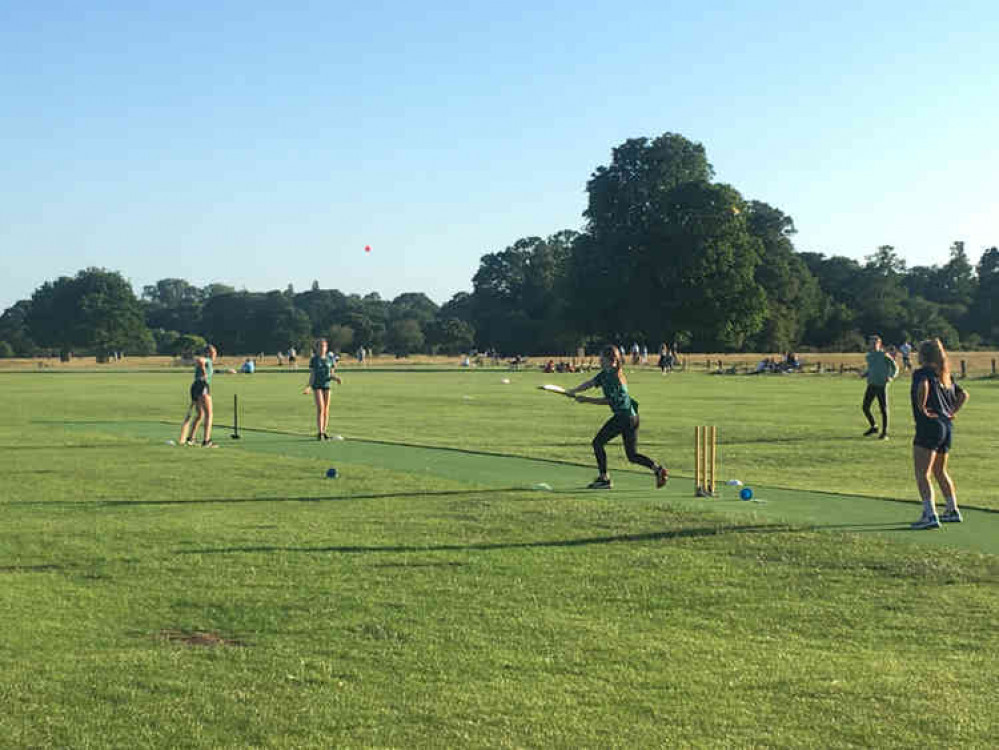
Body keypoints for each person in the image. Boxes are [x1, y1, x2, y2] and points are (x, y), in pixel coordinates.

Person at [566, 345, 669, 489]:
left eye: (602, 357)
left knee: (597, 443)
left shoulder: (615, 377)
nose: (599, 360)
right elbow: (590, 383)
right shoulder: (605, 373)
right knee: (632, 455)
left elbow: (608, 401)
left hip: (624, 418)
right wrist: (573, 390)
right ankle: (658, 469)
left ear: (610, 359)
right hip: (632, 417)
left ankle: (604, 479)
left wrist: (586, 399)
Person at [909, 338, 969, 529]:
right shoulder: (946, 375)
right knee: (939, 471)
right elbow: (963, 394)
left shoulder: (922, 373)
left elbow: (923, 387)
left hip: (929, 425)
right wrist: (952, 412)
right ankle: (952, 509)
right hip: (946, 426)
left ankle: (929, 514)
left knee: (922, 473)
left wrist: (922, 407)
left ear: (923, 356)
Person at [860, 335, 899, 439]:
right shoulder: (869, 356)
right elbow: (872, 368)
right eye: (871, 343)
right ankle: (874, 426)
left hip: (881, 385)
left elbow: (895, 367)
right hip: (871, 384)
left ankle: (884, 433)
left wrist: (891, 377)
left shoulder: (884, 355)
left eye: (875, 343)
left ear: (879, 344)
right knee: (865, 407)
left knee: (883, 409)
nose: (872, 345)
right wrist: (865, 374)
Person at [179, 344, 217, 447]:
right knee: (209, 414)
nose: (215, 355)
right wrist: (204, 371)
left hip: (195, 386)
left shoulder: (210, 363)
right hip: (202, 386)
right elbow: (200, 361)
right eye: (213, 353)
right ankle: (207, 441)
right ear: (208, 353)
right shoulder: (207, 359)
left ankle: (191, 438)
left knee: (200, 415)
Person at [303, 338, 342, 440]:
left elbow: (331, 374)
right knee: (320, 408)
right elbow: (312, 376)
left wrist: (336, 378)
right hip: (317, 386)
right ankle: (320, 432)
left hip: (327, 385)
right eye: (320, 346)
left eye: (324, 346)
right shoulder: (314, 360)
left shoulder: (330, 359)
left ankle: (324, 431)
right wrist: (308, 387)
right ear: (317, 348)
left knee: (326, 409)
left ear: (326, 348)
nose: (322, 348)